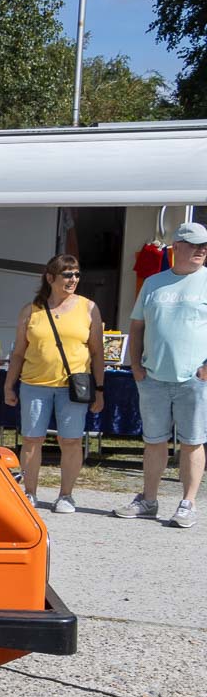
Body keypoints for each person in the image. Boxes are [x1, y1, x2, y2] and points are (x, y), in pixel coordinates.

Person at [115, 221, 207, 527]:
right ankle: (148, 500)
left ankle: (188, 503)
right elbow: (137, 326)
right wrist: (136, 366)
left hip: (194, 379)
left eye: (204, 246)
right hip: (153, 378)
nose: (201, 251)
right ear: (176, 247)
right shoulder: (154, 283)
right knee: (153, 441)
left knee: (193, 441)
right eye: (194, 245)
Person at [3, 254, 106, 514]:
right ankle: (30, 492)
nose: (73, 279)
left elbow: (97, 353)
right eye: (67, 274)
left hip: (73, 387)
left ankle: (66, 495)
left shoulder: (88, 308)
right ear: (50, 278)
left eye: (77, 274)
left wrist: (100, 389)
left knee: (70, 441)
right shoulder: (31, 310)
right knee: (31, 439)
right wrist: (8, 385)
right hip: (34, 384)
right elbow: (18, 353)